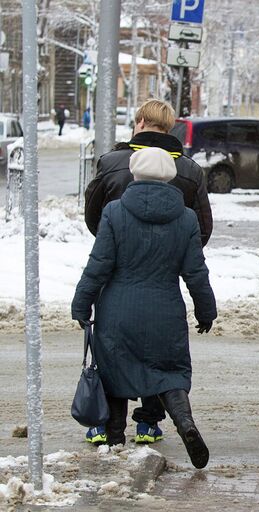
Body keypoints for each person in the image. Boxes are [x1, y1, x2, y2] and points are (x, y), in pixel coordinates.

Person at [71, 147, 217, 469]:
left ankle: (113, 440)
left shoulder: (114, 213)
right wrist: (206, 310)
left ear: (134, 173)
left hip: (118, 312)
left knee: (113, 374)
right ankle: (185, 423)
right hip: (166, 313)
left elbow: (99, 266)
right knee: (169, 374)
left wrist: (81, 302)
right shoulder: (186, 218)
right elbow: (196, 272)